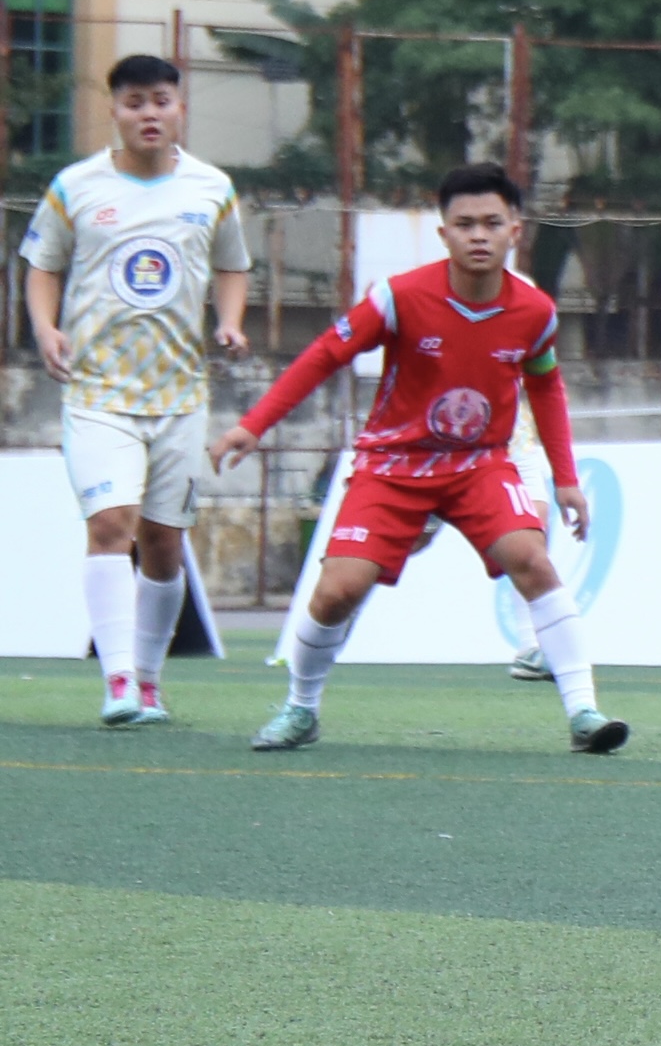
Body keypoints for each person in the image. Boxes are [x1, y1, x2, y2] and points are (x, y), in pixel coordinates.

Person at [212, 164, 628, 754]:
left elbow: (546, 386)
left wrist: (565, 478)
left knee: (531, 559)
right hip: (393, 464)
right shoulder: (399, 297)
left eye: (492, 223)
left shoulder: (535, 311)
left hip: (480, 464)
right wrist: (253, 425)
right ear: (443, 234)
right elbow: (326, 354)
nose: (478, 235)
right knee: (337, 592)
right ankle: (301, 709)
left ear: (515, 230)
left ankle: (584, 712)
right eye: (465, 224)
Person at [16, 53, 250, 726]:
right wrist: (45, 328)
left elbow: (233, 264)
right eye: (134, 102)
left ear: (180, 108)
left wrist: (230, 322)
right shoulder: (76, 186)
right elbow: (42, 265)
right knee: (110, 525)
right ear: (114, 111)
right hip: (98, 393)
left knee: (163, 544)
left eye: (161, 101)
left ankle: (149, 680)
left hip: (180, 396)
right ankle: (118, 679)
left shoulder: (211, 188)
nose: (149, 114)